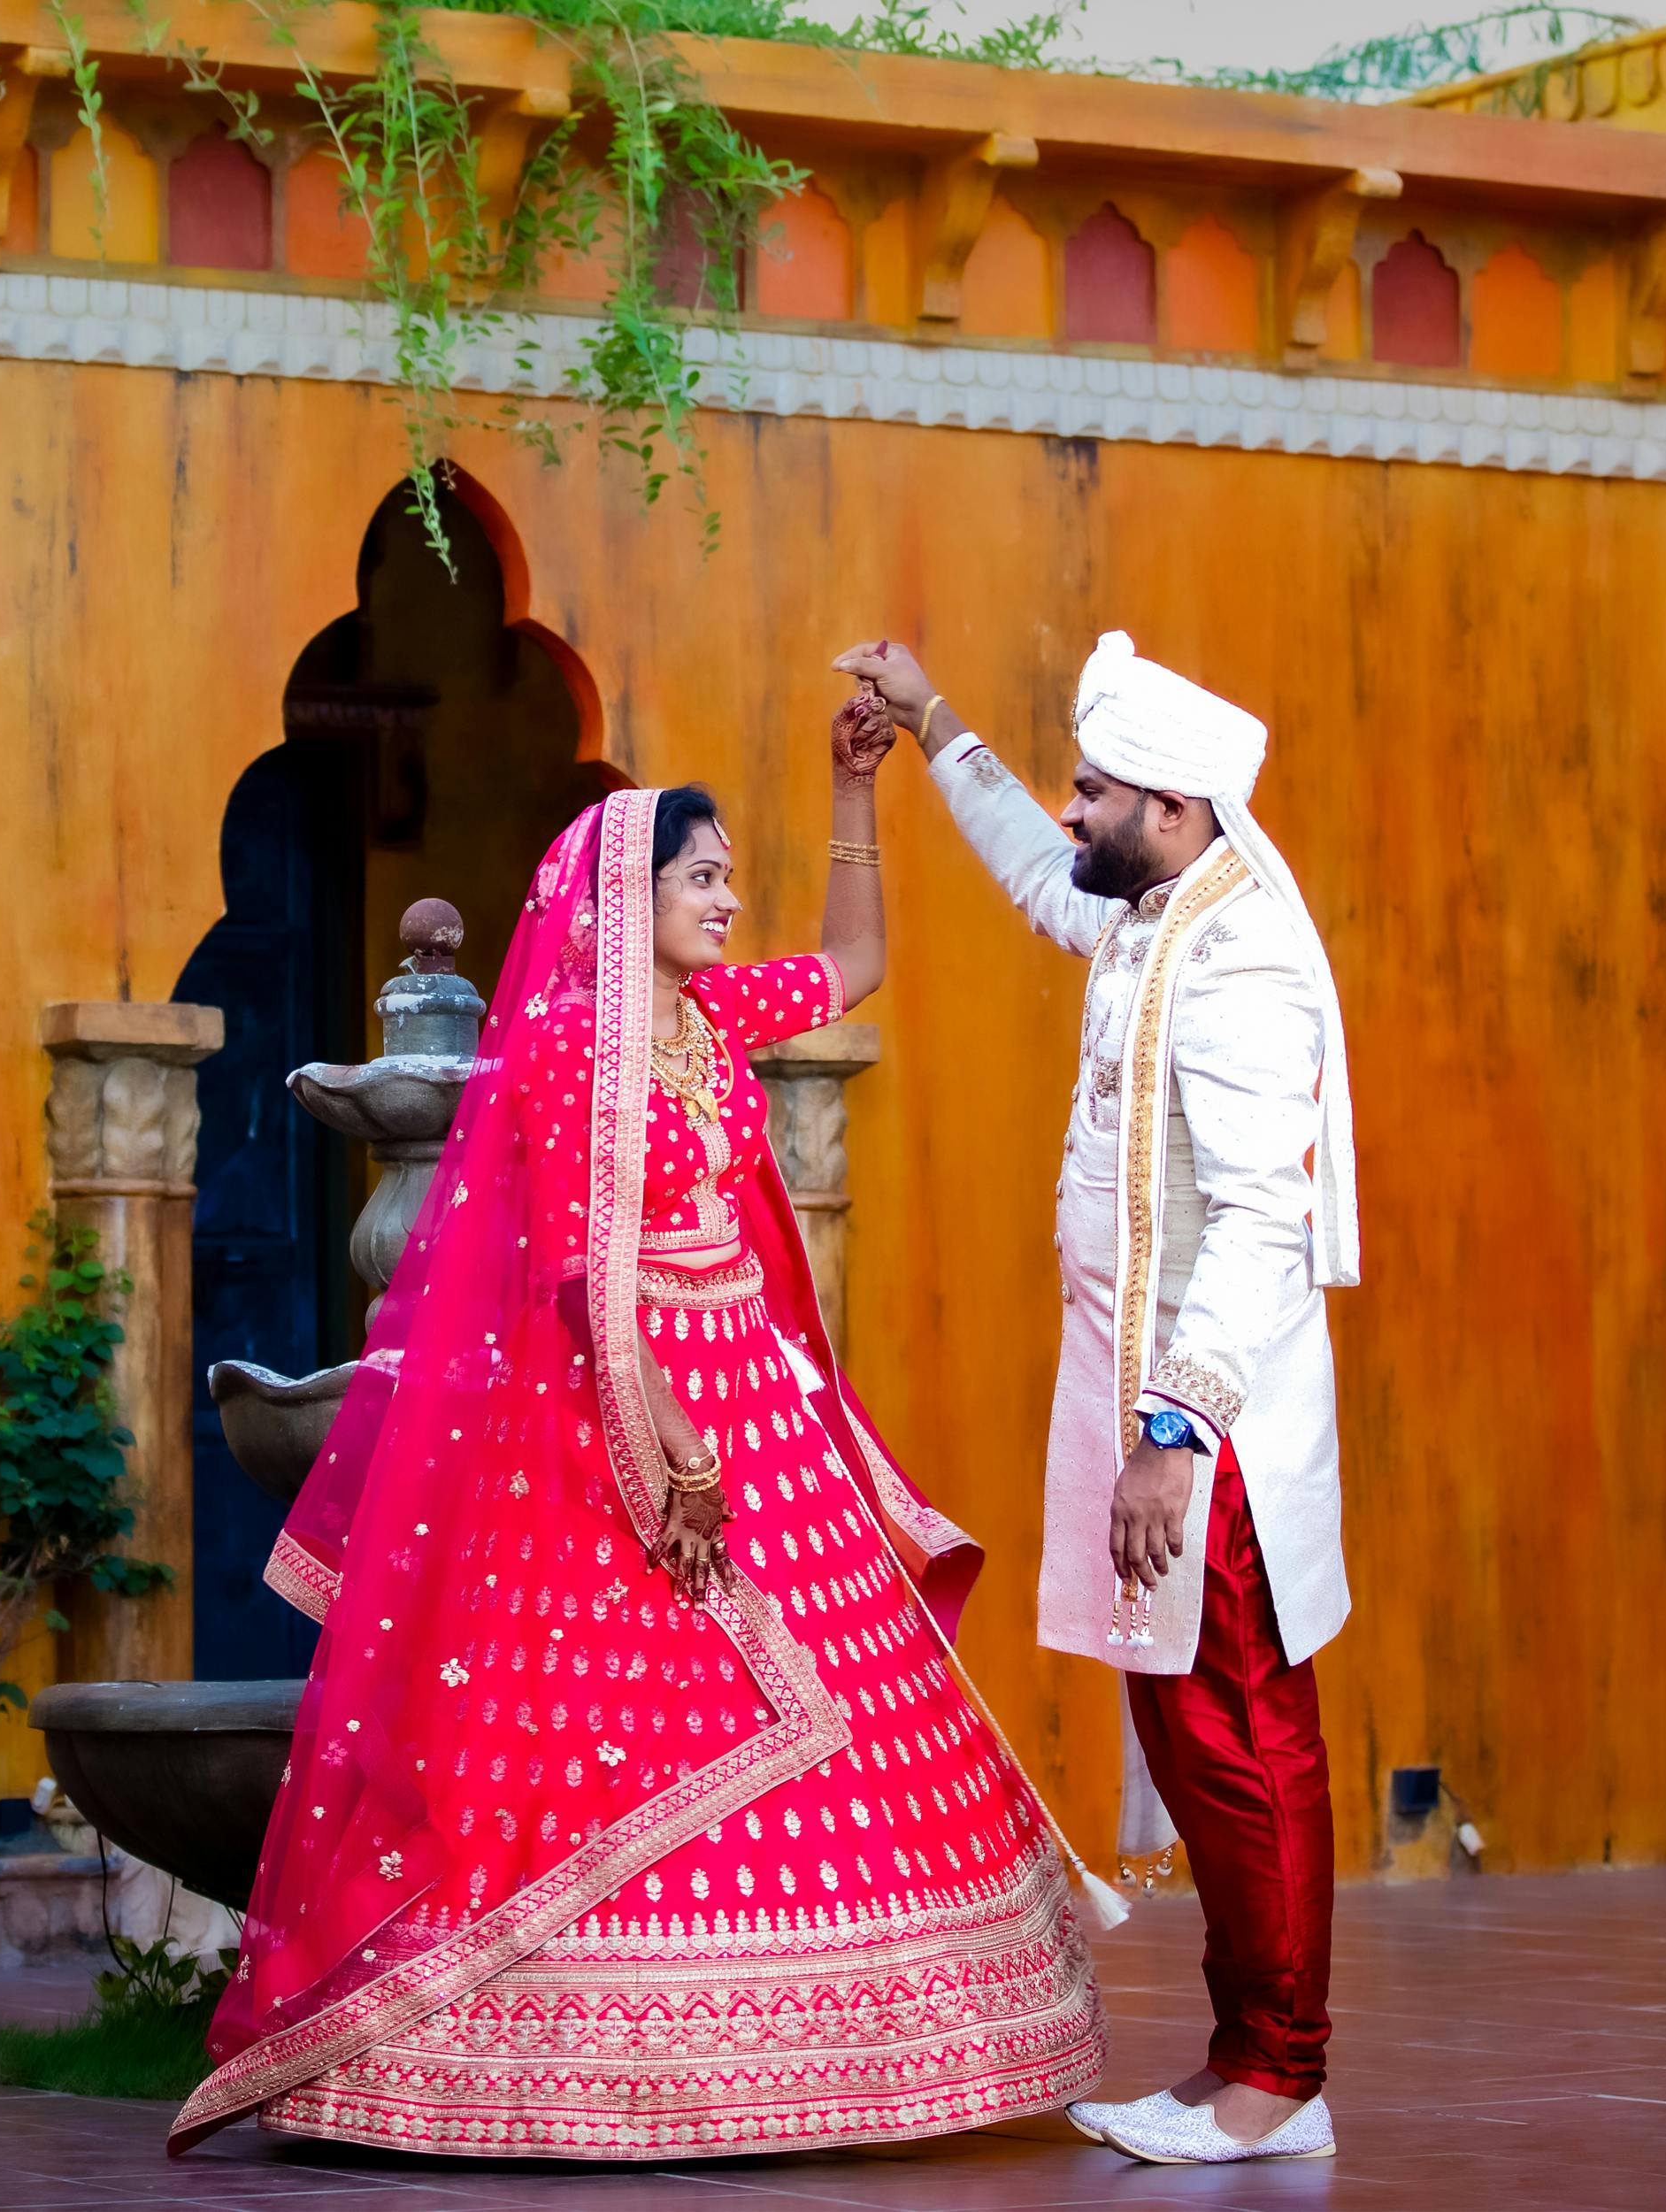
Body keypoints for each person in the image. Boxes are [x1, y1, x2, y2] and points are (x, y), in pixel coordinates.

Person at [169, 699, 1112, 2161]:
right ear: (627, 891)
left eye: (733, 875)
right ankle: (565, 2064)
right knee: (616, 1726)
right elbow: (569, 1263)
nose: (729, 898)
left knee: (850, 1710)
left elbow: (855, 965)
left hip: (758, 1398)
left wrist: (855, 782)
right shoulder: (563, 1039)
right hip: (612, 1409)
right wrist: (670, 1441)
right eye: (702, 878)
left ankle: (833, 2048)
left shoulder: (709, 1013)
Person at [833, 630, 1356, 2169]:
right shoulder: (1153, 915)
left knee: (1245, 1733)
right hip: (1152, 1412)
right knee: (1190, 1729)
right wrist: (934, 725)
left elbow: (1264, 1216)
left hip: (1215, 1427)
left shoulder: (1237, 954)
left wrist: (1175, 1434)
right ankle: (1249, 2058)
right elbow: (1031, 875)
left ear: (1180, 809)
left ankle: (1283, 2075)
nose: (1075, 813)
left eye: (1097, 791)